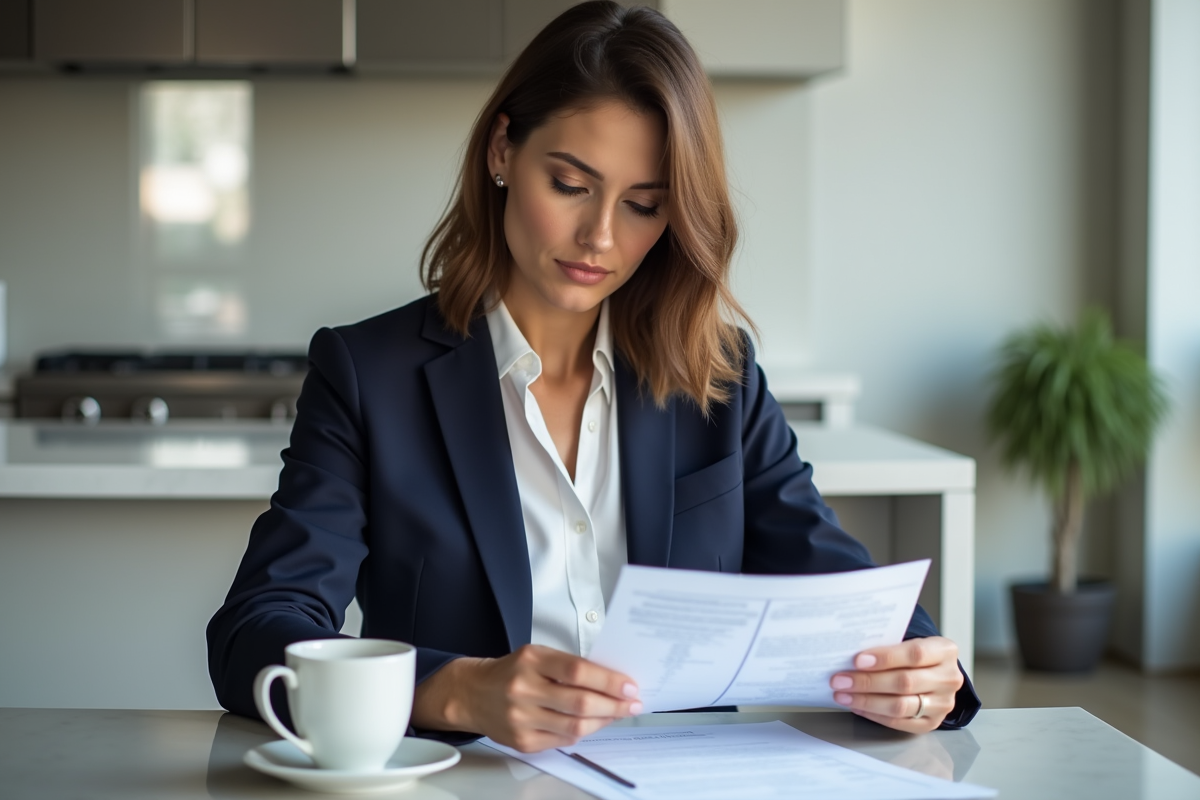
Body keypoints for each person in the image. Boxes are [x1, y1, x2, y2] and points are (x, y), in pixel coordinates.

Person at [207, 0, 980, 754]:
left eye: (644, 205)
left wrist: (916, 670)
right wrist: (455, 690)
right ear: (502, 150)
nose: (600, 236)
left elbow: (834, 584)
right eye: (571, 186)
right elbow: (258, 629)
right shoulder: (369, 374)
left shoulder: (721, 374)